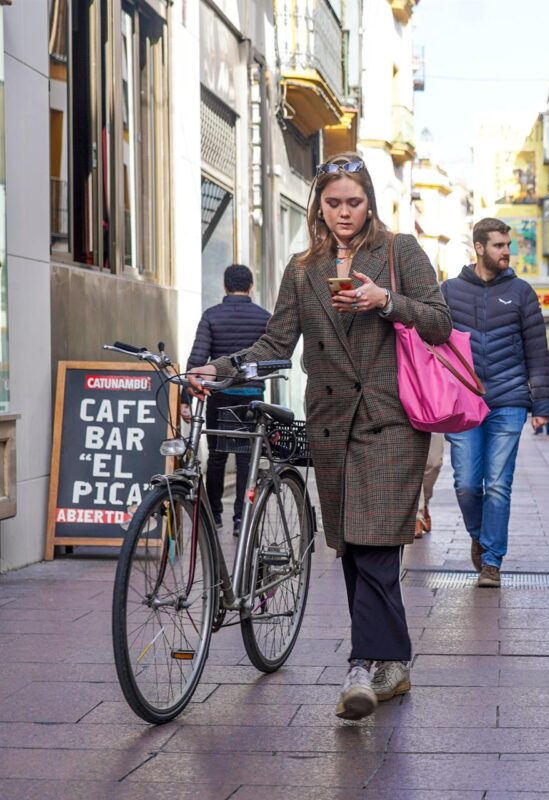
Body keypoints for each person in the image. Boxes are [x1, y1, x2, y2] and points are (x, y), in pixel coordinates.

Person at [188, 153, 452, 719]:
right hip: (331, 422)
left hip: (391, 420)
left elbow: (440, 321)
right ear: (318, 206)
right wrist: (221, 368)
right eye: (332, 203)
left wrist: (388, 302)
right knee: (353, 547)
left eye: (354, 202)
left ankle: (361, 665)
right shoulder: (303, 268)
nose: (343, 213)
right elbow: (275, 344)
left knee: (378, 543)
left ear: (370, 202)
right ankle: (396, 662)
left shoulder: (400, 251)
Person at [442, 218, 549, 588]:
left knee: (499, 484)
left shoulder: (521, 292)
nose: (507, 251)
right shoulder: (449, 291)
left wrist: (542, 405)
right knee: (466, 484)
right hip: (463, 401)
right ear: (478, 247)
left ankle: (491, 560)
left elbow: (538, 350)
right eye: (499, 245)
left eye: (508, 245)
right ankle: (479, 534)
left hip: (509, 401)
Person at [185, 264, 271, 534]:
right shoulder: (264, 318)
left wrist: (184, 401)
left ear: (224, 286)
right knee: (247, 458)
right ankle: (240, 519)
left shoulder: (212, 316)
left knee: (218, 455)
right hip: (251, 397)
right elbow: (269, 361)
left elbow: (197, 360)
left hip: (219, 396)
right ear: (251, 286)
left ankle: (215, 515)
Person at [415, 433, 444, 539]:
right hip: (405, 419)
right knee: (413, 465)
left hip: (433, 421)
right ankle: (417, 516)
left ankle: (424, 502)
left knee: (434, 464)